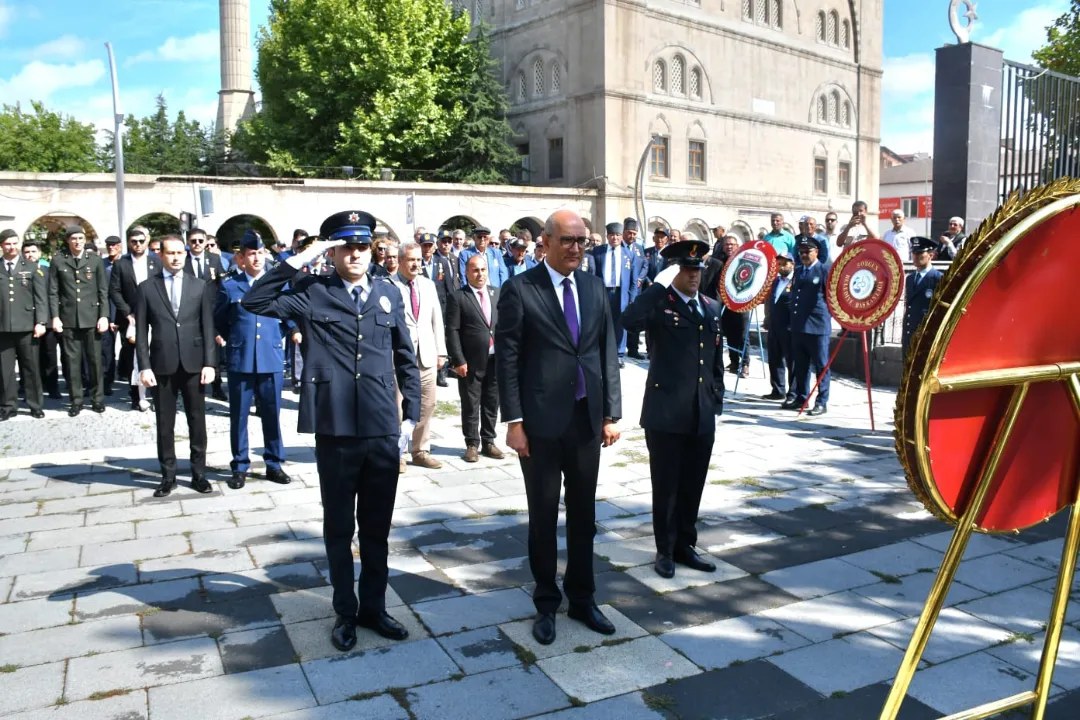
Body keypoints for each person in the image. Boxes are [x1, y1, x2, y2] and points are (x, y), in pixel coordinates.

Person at [242, 210, 420, 653]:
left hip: (381, 427)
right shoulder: (312, 291)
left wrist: (411, 416)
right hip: (336, 428)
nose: (356, 253)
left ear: (372, 249)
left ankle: (374, 608)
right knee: (339, 529)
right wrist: (303, 257)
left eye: (363, 246)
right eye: (346, 246)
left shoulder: (388, 292)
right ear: (334, 251)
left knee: (376, 528)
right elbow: (255, 301)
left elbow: (405, 355)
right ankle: (345, 611)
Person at [495, 209, 622, 646]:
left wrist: (611, 414)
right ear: (544, 242)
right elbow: (507, 360)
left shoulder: (592, 287)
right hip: (541, 424)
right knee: (544, 515)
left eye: (581, 241)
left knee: (584, 515)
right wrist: (514, 422)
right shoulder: (520, 290)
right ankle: (546, 602)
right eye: (567, 240)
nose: (575, 249)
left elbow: (606, 353)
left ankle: (583, 598)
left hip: (586, 419)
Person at [620, 239, 724, 578]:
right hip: (665, 413)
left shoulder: (710, 307)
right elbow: (629, 320)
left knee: (693, 483)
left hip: (700, 412)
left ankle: (685, 545)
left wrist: (715, 397)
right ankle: (664, 549)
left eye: (698, 269)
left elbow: (714, 360)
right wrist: (656, 287)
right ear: (675, 271)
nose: (694, 276)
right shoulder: (659, 304)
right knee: (666, 486)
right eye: (687, 269)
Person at [135, 236, 217, 497]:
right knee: (165, 423)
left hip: (194, 363)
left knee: (197, 420)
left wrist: (210, 363)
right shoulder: (148, 287)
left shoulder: (200, 286)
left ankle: (199, 473)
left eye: (180, 252)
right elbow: (140, 331)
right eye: (170, 253)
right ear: (160, 255)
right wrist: (144, 367)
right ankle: (167, 475)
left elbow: (207, 327)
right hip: (162, 364)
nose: (176, 257)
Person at [214, 231, 293, 490]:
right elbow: (220, 320)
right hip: (241, 359)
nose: (257, 258)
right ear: (240, 258)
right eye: (251, 254)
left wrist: (288, 332)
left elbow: (288, 316)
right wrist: (233, 340)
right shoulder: (229, 286)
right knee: (239, 416)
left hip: (270, 357)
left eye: (260, 253)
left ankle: (274, 463)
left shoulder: (276, 284)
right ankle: (239, 465)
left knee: (272, 413)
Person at [393, 242, 447, 472]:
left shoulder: (427, 285)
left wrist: (441, 351)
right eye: (411, 260)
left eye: (418, 260)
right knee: (397, 404)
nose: (416, 264)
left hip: (426, 354)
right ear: (400, 261)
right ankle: (398, 452)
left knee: (427, 402)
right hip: (398, 356)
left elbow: (437, 318)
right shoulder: (388, 285)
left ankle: (420, 449)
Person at [447, 254, 503, 463]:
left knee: (492, 401)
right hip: (470, 361)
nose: (480, 274)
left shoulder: (496, 293)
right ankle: (472, 443)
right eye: (475, 270)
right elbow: (452, 330)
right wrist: (458, 360)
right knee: (471, 403)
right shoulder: (459, 297)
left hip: (495, 359)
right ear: (467, 273)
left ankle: (489, 440)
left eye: (483, 270)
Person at [48, 225, 109, 416]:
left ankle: (97, 399)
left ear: (85, 240)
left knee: (95, 362)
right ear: (68, 240)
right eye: (73, 238)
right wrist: (55, 317)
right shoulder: (58, 261)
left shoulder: (95, 260)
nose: (77, 242)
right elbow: (53, 292)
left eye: (81, 238)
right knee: (72, 362)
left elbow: (102, 291)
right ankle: (76, 401)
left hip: (92, 318)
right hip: (68, 319)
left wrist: (104, 316)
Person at [110, 226, 163, 411]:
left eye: (141, 241)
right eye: (134, 241)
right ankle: (136, 396)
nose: (138, 244)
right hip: (131, 317)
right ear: (129, 243)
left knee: (156, 355)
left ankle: (157, 396)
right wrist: (127, 312)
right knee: (134, 356)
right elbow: (114, 291)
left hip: (155, 316)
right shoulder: (120, 264)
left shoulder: (156, 261)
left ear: (147, 241)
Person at [0, 229, 47, 420]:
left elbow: (41, 298)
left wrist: (41, 322)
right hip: (3, 328)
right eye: (7, 244)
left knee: (31, 368)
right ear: (1, 246)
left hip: (28, 327)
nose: (11, 247)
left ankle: (35, 405)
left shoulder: (31, 266)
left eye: (14, 243)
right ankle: (8, 406)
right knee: (5, 371)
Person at [783, 237, 831, 416]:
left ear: (816, 252)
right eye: (801, 252)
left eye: (807, 252)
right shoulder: (798, 270)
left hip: (817, 327)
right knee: (800, 366)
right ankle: (801, 397)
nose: (803, 255)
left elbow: (830, 298)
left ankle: (821, 401)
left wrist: (827, 319)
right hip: (798, 326)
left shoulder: (824, 270)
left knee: (821, 366)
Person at [591, 222, 640, 367]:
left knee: (620, 323)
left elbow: (633, 279)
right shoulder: (598, 252)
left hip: (621, 293)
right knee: (602, 323)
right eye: (612, 235)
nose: (615, 238)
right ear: (607, 236)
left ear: (621, 236)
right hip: (603, 292)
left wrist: (632, 298)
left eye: (618, 235)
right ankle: (601, 352)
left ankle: (619, 354)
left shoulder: (629, 255)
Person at [762, 251, 796, 402]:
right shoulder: (775, 281)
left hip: (789, 327)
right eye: (779, 263)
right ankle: (778, 389)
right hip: (774, 325)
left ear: (792, 264)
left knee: (792, 362)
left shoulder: (796, 281)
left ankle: (793, 393)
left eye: (785, 263)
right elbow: (770, 301)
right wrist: (767, 318)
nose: (781, 266)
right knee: (775, 359)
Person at [902, 236, 944, 352]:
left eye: (920, 253)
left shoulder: (938, 278)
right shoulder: (910, 278)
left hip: (925, 334)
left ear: (931, 255)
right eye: (914, 253)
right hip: (909, 333)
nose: (915, 256)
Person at [717, 235, 750, 376]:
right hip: (726, 302)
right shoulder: (719, 261)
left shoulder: (744, 259)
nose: (729, 247)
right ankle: (734, 362)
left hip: (742, 301)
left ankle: (745, 363)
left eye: (732, 244)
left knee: (742, 334)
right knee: (729, 333)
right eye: (726, 244)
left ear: (737, 246)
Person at [101, 235, 123, 395]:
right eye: (108, 245)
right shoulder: (102, 265)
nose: (111, 247)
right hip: (109, 312)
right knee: (107, 351)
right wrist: (109, 317)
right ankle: (107, 382)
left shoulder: (128, 262)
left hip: (127, 312)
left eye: (114, 245)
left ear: (120, 246)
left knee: (131, 349)